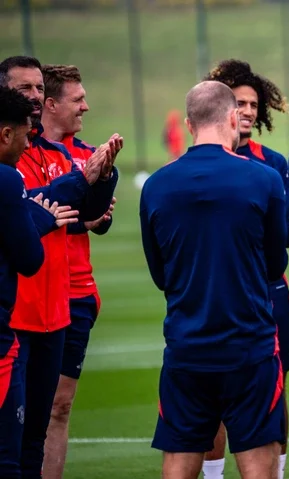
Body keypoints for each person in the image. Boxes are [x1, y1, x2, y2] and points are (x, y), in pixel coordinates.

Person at [140, 80, 287, 479]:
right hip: (249, 348)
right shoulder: (265, 180)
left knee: (179, 460)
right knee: (258, 463)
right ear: (233, 117)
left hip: (187, 348)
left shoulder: (155, 186)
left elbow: (160, 275)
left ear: (188, 124)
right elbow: (275, 264)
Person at [0, 55, 120, 478]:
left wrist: (101, 180)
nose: (34, 96)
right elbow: (31, 217)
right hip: (16, 313)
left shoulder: (58, 152)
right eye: (25, 89)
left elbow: (81, 209)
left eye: (38, 88)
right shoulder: (12, 164)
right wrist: (67, 199)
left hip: (60, 305)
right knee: (13, 437)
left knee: (44, 422)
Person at [203, 59, 289, 479]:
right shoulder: (203, 164)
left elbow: (288, 233)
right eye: (238, 102)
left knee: (277, 392)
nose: (246, 111)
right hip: (217, 294)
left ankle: (275, 470)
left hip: (268, 292)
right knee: (214, 393)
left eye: (253, 104)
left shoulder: (273, 164)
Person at [39, 64, 116, 479]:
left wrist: (95, 214)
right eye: (77, 98)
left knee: (60, 406)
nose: (86, 105)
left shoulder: (89, 155)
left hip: (78, 294)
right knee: (26, 404)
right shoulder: (24, 152)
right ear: (51, 105)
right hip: (31, 294)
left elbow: (98, 216)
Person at [0, 84, 79, 479]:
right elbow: (29, 259)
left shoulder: (59, 155)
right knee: (12, 451)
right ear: (5, 133)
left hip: (51, 313)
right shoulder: (7, 180)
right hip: (7, 331)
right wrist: (43, 220)